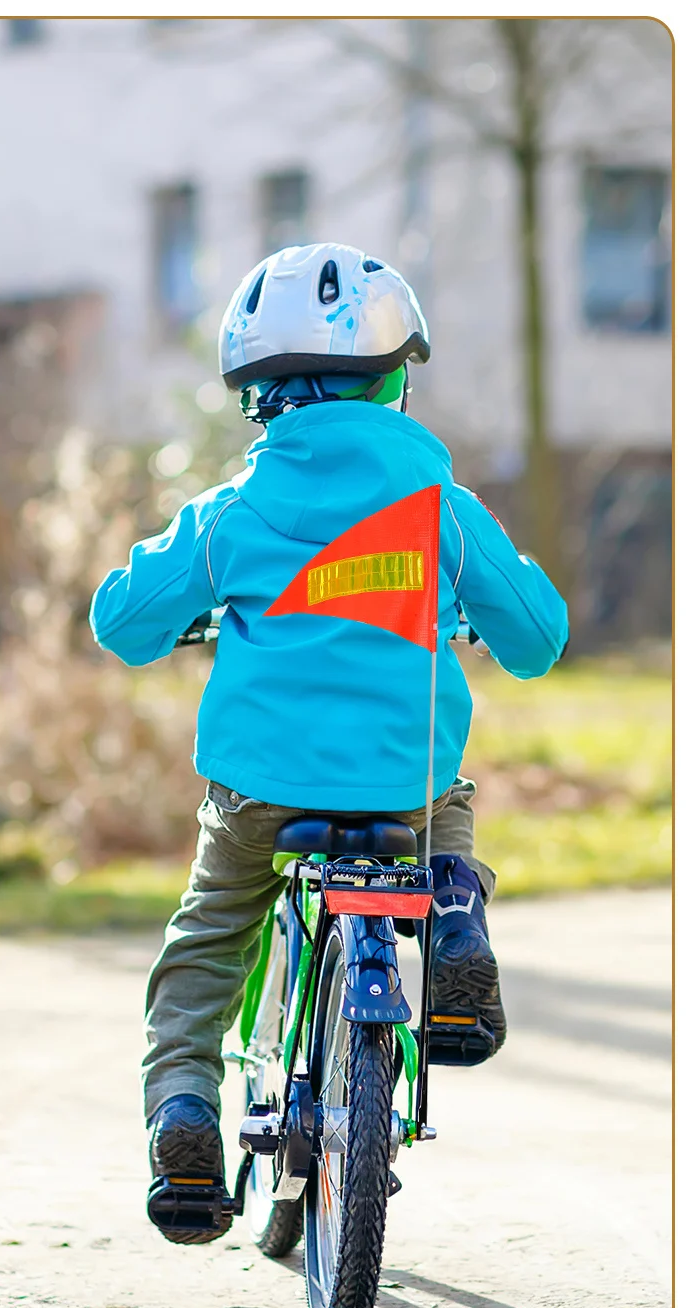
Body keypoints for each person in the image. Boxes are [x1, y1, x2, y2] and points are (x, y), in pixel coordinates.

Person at [90, 242, 568, 1245]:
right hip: (403, 783)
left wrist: (188, 584)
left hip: (260, 789)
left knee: (208, 937)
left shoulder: (235, 512)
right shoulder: (439, 506)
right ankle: (451, 917)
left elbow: (122, 622)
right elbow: (536, 637)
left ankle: (182, 1109)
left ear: (258, 398)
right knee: (449, 797)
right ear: (397, 374)